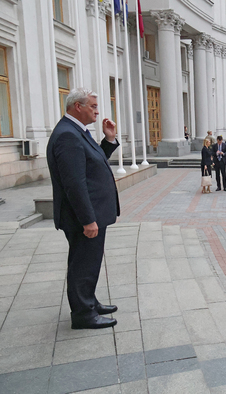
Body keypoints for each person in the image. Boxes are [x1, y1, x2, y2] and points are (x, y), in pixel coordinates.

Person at [46, 88, 119, 330]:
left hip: (90, 213)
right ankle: (83, 314)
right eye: (93, 107)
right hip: (83, 217)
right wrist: (88, 220)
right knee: (83, 264)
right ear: (78, 106)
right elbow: (74, 183)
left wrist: (108, 140)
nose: (98, 111)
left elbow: (92, 163)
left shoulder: (77, 131)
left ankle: (89, 303)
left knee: (88, 262)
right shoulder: (67, 134)